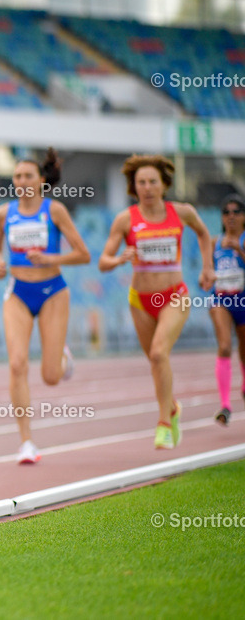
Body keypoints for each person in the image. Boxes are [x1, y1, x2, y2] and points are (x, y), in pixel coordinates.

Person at [99, 155, 214, 449]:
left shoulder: (182, 212)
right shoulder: (126, 219)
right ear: (133, 187)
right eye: (141, 183)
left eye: (153, 182)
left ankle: (164, 422)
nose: (147, 187)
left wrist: (207, 267)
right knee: (154, 358)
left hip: (173, 295)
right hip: (140, 300)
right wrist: (119, 258)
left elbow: (203, 234)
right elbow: (103, 261)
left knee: (160, 353)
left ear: (164, 185)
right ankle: (172, 407)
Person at [0, 149, 91, 465]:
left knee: (50, 376)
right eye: (17, 176)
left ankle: (60, 356)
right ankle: (26, 442)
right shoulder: (4, 213)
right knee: (17, 364)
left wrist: (52, 258)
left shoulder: (55, 210)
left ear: (41, 180)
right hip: (18, 292)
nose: (21, 181)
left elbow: (83, 254)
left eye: (28, 176)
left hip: (53, 292)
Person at [208, 194, 245, 425]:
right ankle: (225, 406)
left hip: (243, 298)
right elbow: (208, 269)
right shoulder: (215, 241)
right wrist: (206, 277)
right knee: (224, 346)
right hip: (220, 298)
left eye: (236, 211)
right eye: (226, 212)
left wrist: (239, 251)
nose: (230, 216)